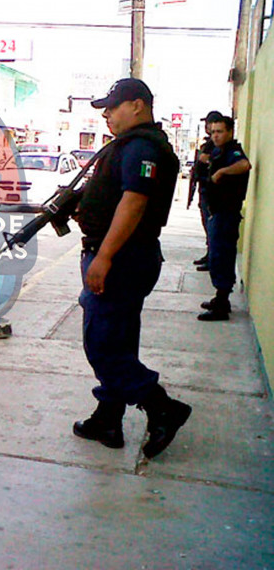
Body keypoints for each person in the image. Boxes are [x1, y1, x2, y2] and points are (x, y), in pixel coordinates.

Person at [72, 78, 191, 459]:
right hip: (124, 256)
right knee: (117, 339)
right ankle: (108, 416)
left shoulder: (143, 146)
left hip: (122, 258)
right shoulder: (133, 145)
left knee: (103, 344)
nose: (106, 115)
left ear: (137, 105)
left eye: (113, 107)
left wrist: (104, 257)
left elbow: (134, 201)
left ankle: (161, 407)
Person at [197, 115, 252, 321]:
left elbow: (245, 165)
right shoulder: (219, 151)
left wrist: (221, 172)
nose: (216, 136)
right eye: (213, 132)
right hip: (217, 211)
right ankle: (220, 298)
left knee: (222, 256)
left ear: (229, 132)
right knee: (217, 256)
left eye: (220, 132)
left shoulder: (233, 151)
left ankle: (221, 303)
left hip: (226, 213)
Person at [188, 110, 225, 270]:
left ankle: (213, 258)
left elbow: (223, 163)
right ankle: (209, 254)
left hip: (213, 191)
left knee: (212, 227)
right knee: (207, 224)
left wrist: (207, 159)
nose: (206, 127)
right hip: (204, 188)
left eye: (209, 124)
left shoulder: (219, 145)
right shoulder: (208, 143)